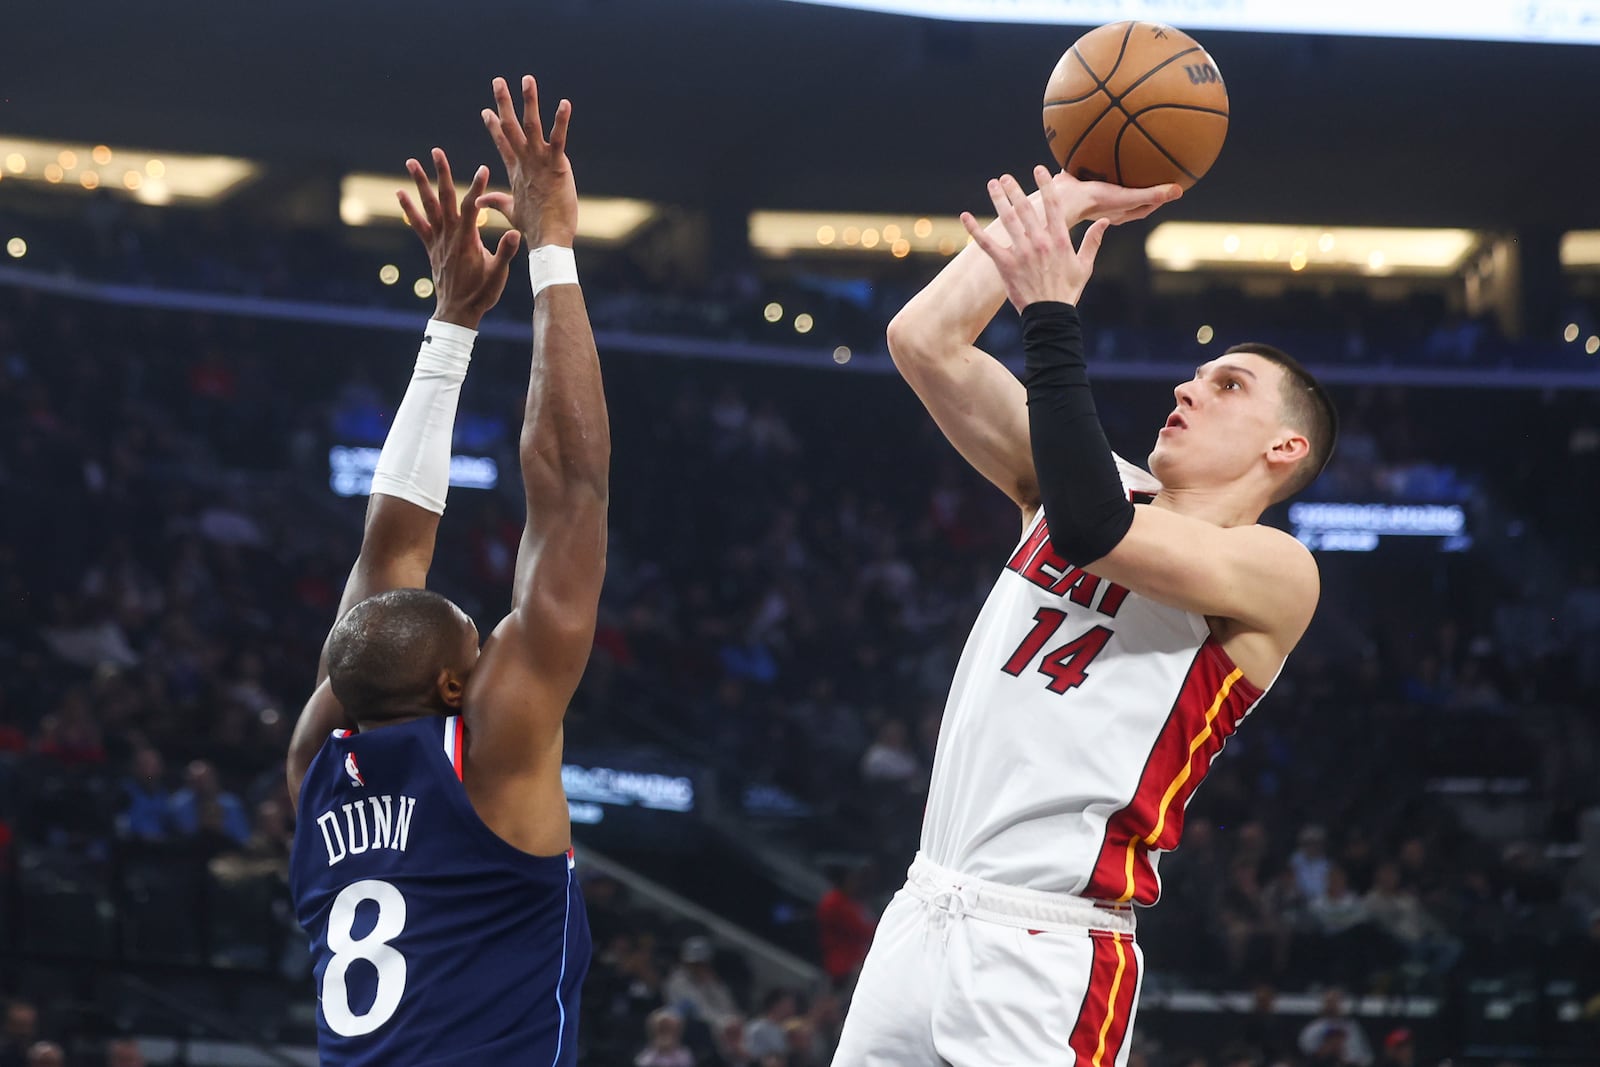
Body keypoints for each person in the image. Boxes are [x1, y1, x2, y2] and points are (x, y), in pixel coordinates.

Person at [833, 167, 1337, 1064]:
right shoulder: (1088, 481)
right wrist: (1058, 209)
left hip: (1049, 944)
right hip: (924, 909)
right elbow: (922, 342)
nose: (1185, 390)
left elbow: (1092, 527)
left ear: (1284, 446)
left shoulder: (1276, 569)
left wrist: (1051, 315)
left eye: (1226, 386)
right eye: (1193, 376)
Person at [286, 74, 608, 1066]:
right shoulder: (492, 756)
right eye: (474, 635)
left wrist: (452, 323)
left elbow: (387, 558)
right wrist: (550, 244)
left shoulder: (318, 763)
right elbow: (571, 487)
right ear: (457, 686)